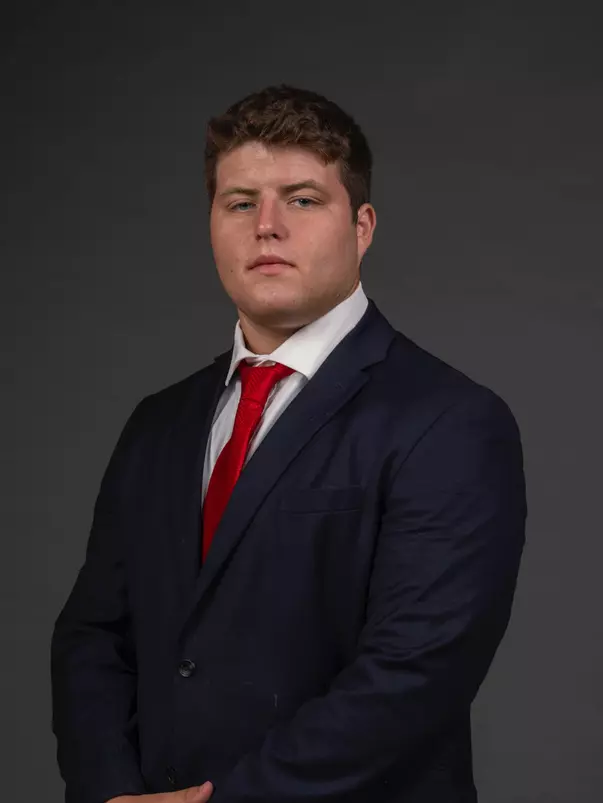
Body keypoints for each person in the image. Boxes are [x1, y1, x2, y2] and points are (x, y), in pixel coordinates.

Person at [51, 84, 527, 803]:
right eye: (240, 202)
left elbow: (414, 673)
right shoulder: (158, 423)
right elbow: (93, 637)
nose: (266, 227)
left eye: (302, 200)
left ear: (362, 227)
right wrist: (110, 793)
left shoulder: (451, 420)